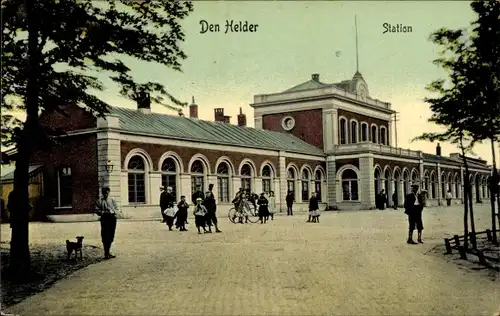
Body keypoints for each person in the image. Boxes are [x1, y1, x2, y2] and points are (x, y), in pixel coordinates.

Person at [95, 187, 120, 259]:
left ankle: (108, 252)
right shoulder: (99, 201)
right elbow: (97, 210)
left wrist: (112, 211)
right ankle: (106, 253)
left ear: (109, 192)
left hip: (112, 219)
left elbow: (117, 209)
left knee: (111, 235)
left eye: (107, 192)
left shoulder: (112, 200)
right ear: (102, 193)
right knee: (104, 235)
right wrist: (103, 212)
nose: (105, 194)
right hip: (104, 219)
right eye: (104, 193)